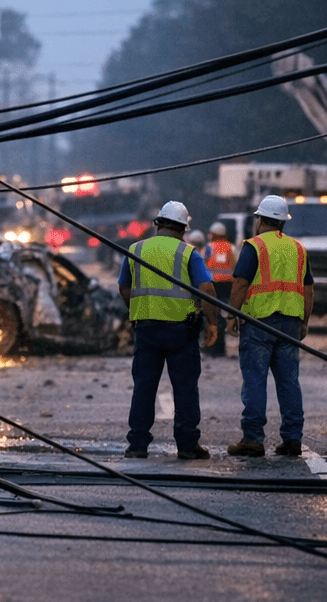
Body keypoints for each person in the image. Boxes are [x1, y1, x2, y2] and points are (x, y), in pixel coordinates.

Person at [119, 201, 220, 460]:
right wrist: (212, 323)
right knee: (185, 389)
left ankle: (138, 444)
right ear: (183, 228)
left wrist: (140, 307)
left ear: (158, 224)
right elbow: (207, 289)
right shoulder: (188, 253)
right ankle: (187, 445)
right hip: (181, 332)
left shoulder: (136, 249)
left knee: (144, 387)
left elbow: (124, 287)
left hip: (146, 330)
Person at [227, 195, 315, 459]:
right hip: (289, 322)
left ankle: (253, 439)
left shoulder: (254, 246)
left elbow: (241, 283)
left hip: (258, 323)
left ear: (260, 219)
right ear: (283, 222)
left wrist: (232, 316)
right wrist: (305, 321)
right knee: (289, 382)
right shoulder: (298, 249)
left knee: (255, 380)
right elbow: (308, 288)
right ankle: (292, 440)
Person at [202, 221, 238, 357]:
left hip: (211, 286)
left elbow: (201, 265)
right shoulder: (231, 248)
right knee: (223, 316)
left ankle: (211, 347)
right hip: (227, 286)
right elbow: (236, 268)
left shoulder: (208, 247)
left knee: (211, 315)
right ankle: (221, 349)